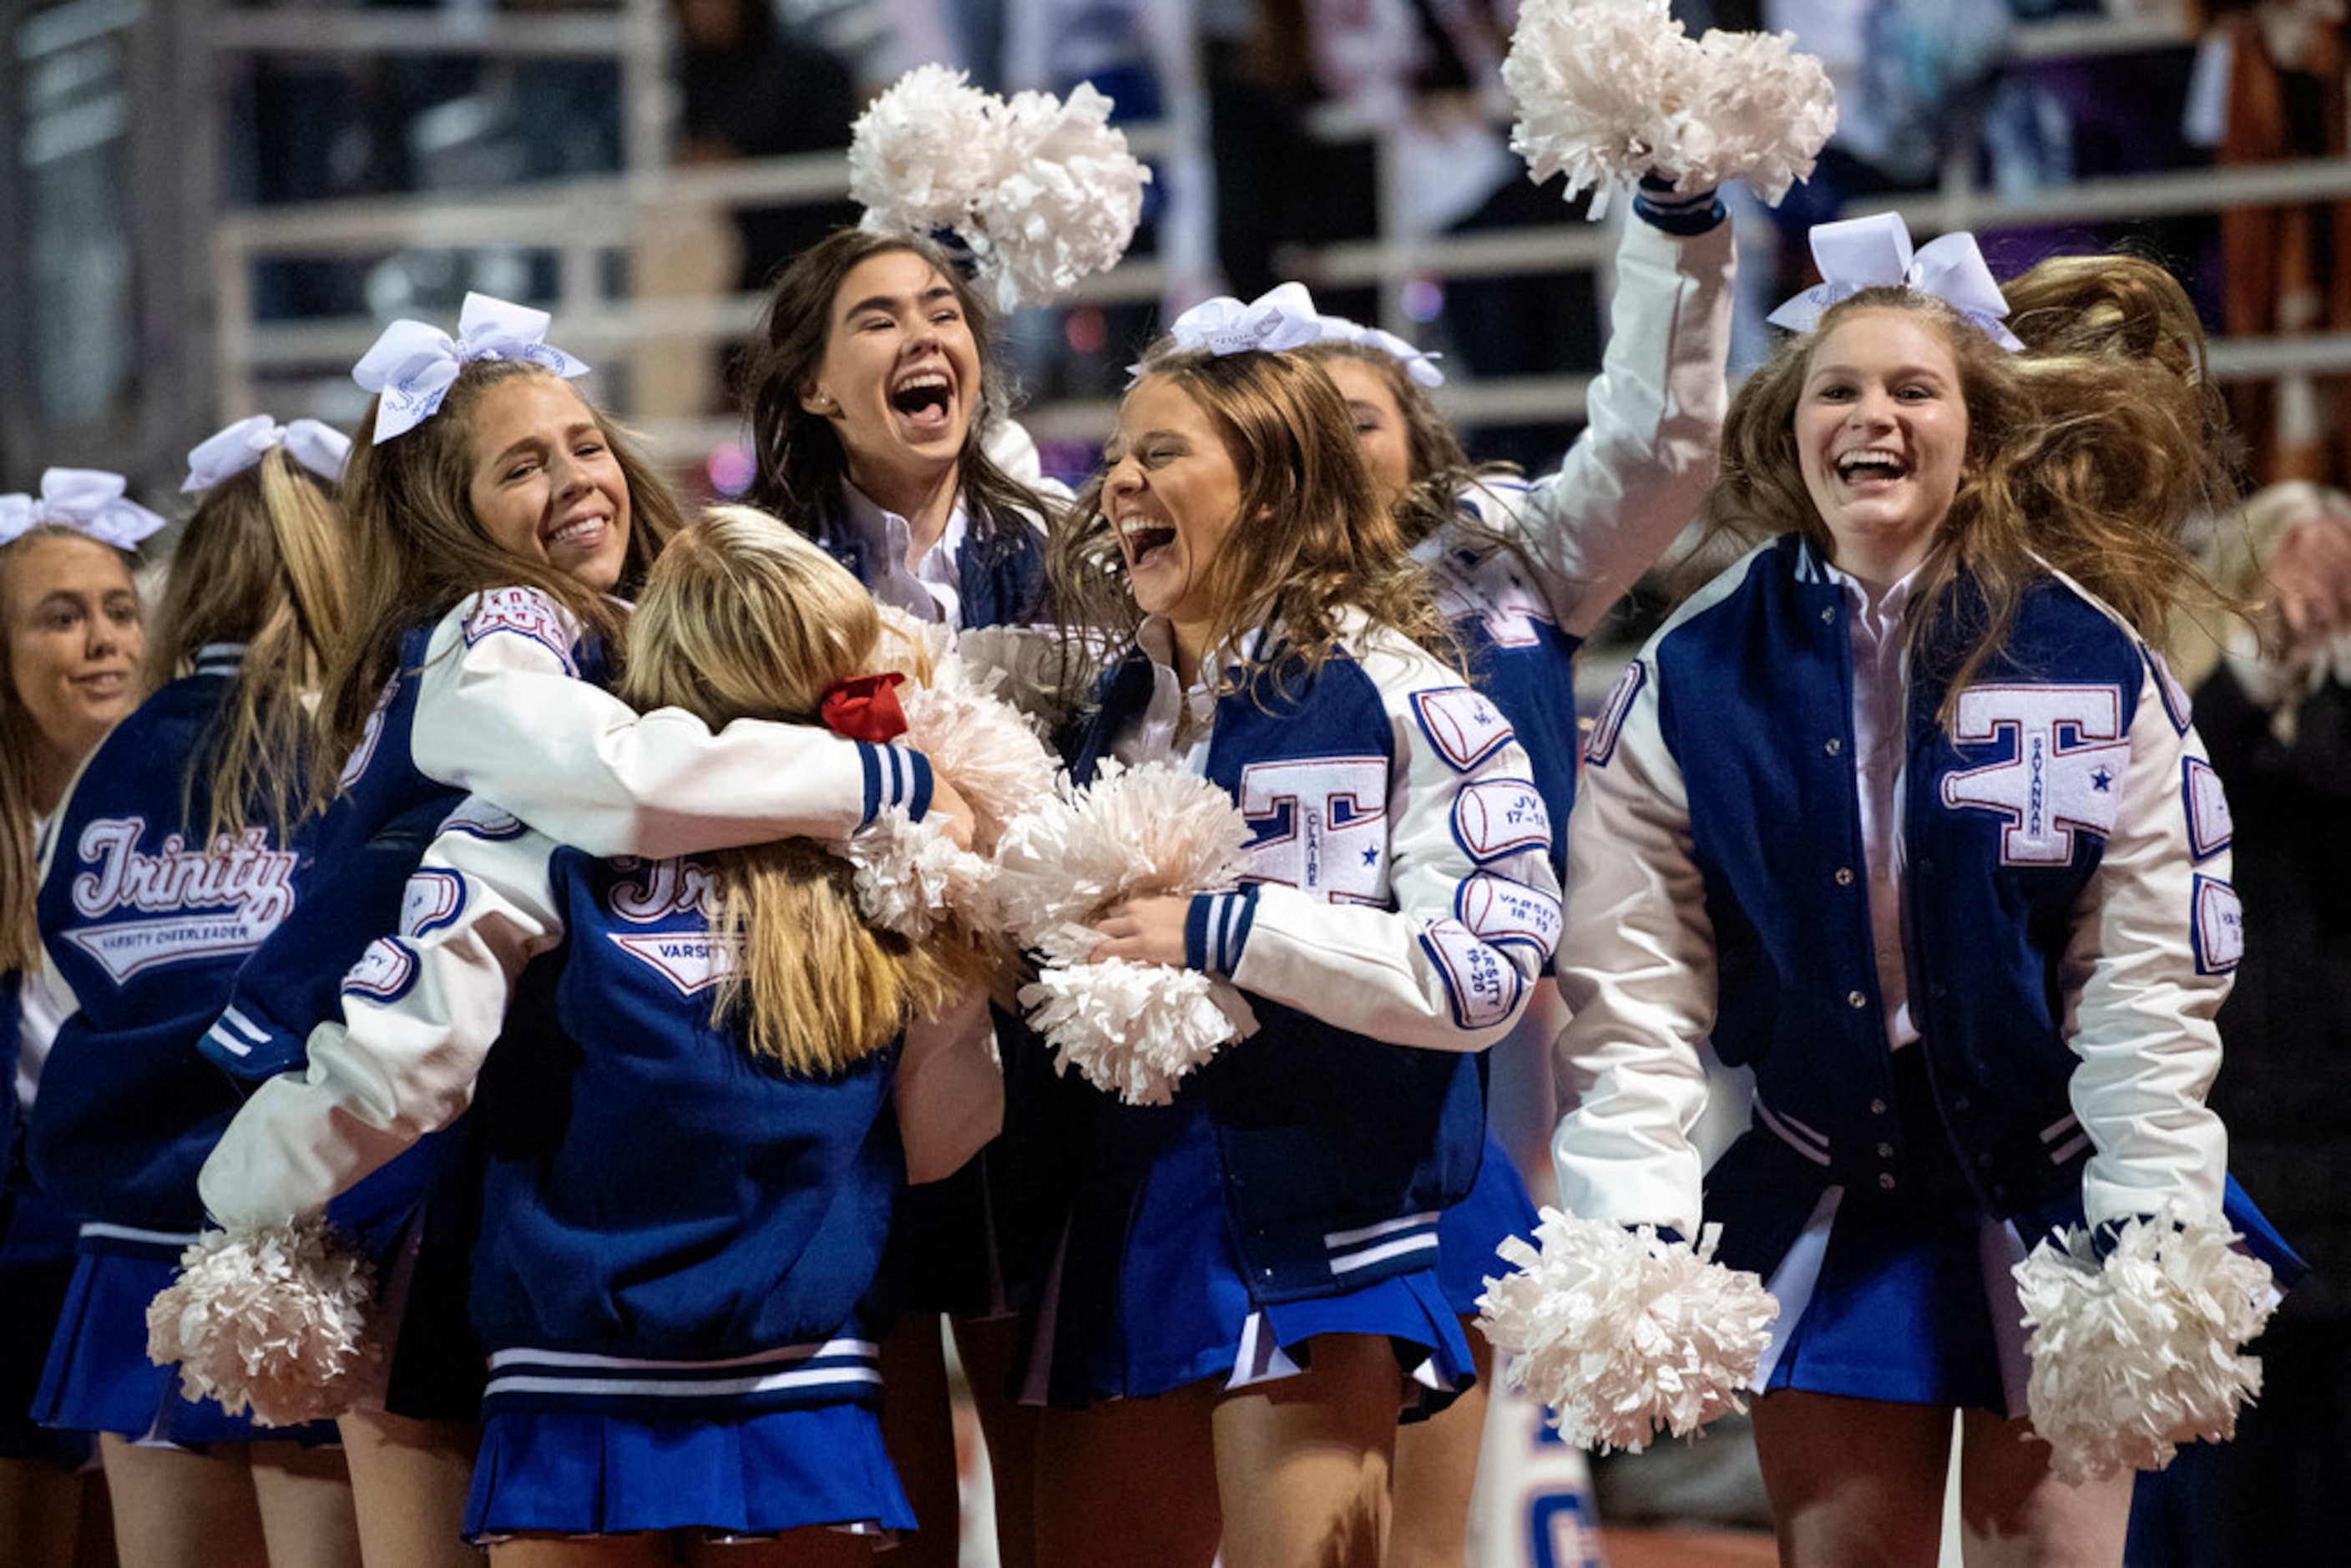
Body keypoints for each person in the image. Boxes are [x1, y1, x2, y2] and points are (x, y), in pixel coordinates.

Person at [1544, 210, 2290, 1562]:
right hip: (1829, 1192)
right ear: (1789, 427)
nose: (1870, 414)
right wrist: (1634, 1219)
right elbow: (1633, 984)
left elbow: (2145, 979)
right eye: (1838, 386)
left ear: (1979, 432)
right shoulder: (1698, 670)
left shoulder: (2091, 656)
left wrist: (2150, 1216)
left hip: (2052, 1190)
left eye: (1912, 388)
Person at [194, 295, 973, 1568]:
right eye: (522, 463)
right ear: (449, 513)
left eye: (584, 443)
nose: (576, 479)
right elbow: (622, 792)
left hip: (604, 1197)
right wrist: (876, 787)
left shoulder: (633, 644)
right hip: (434, 1197)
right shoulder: (495, 644)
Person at [1028, 325, 1560, 1566]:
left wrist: (1223, 930)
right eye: (1115, 455)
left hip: (1318, 1230)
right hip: (1124, 1216)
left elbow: (1486, 965)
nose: (1118, 482)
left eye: (1162, 451)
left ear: (1271, 480)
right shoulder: (1117, 708)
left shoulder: (1406, 690)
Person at [1296, 176, 1736, 1566]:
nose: (1319, 439)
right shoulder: (1201, 603)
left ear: (1422, 445)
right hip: (1270, 1087)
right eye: (1291, 416)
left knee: (1420, 1531)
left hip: (1478, 1067)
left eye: (1353, 414)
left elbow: (1660, 445)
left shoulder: (1518, 553)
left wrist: (1678, 222)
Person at [736, 226, 1071, 1568]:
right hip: (830, 1063)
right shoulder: (751, 567)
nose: (925, 335)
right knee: (887, 1493)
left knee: (1055, 1463)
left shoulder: (1066, 549)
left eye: (944, 310)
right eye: (877, 319)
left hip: (1037, 1069)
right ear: (814, 383)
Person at [24, 442, 364, 1568]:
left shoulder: (111, 759)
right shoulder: (347, 747)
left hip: (128, 1250)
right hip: (296, 1243)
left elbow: (66, 961)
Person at [2127, 481, 2351, 1564]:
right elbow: (2198, 778)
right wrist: (2270, 662)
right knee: (2228, 1503)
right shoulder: (2185, 713)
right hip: (2234, 1161)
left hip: (2337, 1155)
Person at [0, 480, 153, 1565]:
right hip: (17, 1274)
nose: (102, 639)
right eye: (62, 615)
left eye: (118, 607)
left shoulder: (195, 811)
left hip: (139, 1263)